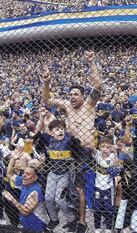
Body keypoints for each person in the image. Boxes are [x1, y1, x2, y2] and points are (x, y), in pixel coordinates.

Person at [41, 51, 103, 233]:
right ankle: (72, 217)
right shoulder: (67, 106)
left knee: (79, 188)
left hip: (84, 151)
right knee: (68, 188)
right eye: (71, 94)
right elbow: (46, 100)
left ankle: (82, 222)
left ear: (83, 96)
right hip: (70, 149)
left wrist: (91, 62)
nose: (72, 96)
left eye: (76, 94)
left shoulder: (89, 105)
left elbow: (98, 85)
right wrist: (46, 82)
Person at [33, 118, 81, 231]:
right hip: (52, 173)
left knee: (59, 200)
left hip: (65, 174)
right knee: (48, 198)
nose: (60, 131)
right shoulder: (49, 140)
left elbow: (77, 145)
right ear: (51, 132)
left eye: (62, 129)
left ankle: (71, 220)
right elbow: (36, 136)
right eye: (57, 129)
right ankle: (54, 219)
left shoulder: (68, 141)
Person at [2, 166, 49, 233]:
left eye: (28, 174)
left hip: (37, 226)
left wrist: (12, 199)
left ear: (35, 178)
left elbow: (26, 212)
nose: (24, 175)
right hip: (26, 225)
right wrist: (13, 157)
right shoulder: (25, 182)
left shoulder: (35, 191)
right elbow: (9, 174)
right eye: (24, 173)